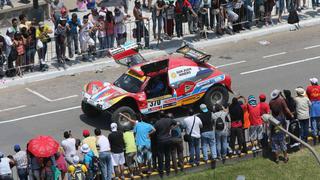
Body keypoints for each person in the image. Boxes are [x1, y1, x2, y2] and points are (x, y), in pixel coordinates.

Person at [269, 89, 293, 163]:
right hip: (281, 120)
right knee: (282, 139)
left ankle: (277, 159)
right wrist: (291, 114)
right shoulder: (281, 100)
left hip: (274, 121)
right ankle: (285, 157)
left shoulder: (270, 102)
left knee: (274, 140)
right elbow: (286, 109)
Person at [154, 112, 177, 177]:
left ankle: (161, 172)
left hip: (160, 140)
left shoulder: (157, 123)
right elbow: (176, 122)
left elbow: (154, 130)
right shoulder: (169, 120)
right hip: (168, 139)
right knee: (167, 155)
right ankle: (168, 171)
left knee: (160, 157)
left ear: (159, 116)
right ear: (165, 115)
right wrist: (171, 128)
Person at [197, 104, 217, 168]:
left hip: (203, 132)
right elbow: (214, 119)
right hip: (210, 131)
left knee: (204, 145)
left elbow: (199, 124)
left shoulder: (199, 116)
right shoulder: (210, 113)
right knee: (212, 144)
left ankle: (205, 158)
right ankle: (214, 156)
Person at [306, 78, 320, 145]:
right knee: (319, 119)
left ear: (312, 83)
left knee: (313, 120)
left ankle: (314, 134)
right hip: (319, 104)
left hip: (313, 104)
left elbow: (308, 96)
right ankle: (319, 132)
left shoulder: (309, 88)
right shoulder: (319, 87)